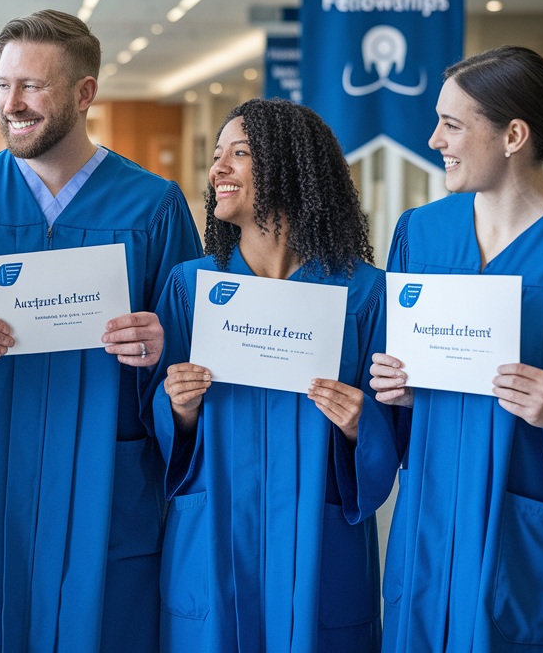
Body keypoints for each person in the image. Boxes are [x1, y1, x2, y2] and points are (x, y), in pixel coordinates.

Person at [0, 10, 202, 652]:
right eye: (4, 83)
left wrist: (160, 347)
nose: (10, 104)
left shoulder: (152, 206)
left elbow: (192, 351)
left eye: (32, 87)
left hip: (108, 480)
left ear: (84, 93)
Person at [369, 46, 543, 652]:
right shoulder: (420, 233)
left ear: (513, 134)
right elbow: (390, 377)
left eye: (452, 125)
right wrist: (392, 390)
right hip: (431, 521)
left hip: (529, 540)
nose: (434, 140)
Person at [150, 99, 398, 652]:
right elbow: (158, 431)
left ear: (292, 168)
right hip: (215, 539)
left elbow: (396, 433)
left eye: (239, 154)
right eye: (216, 156)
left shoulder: (364, 294)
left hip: (317, 539)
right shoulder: (190, 288)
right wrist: (179, 409)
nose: (217, 169)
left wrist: (361, 424)